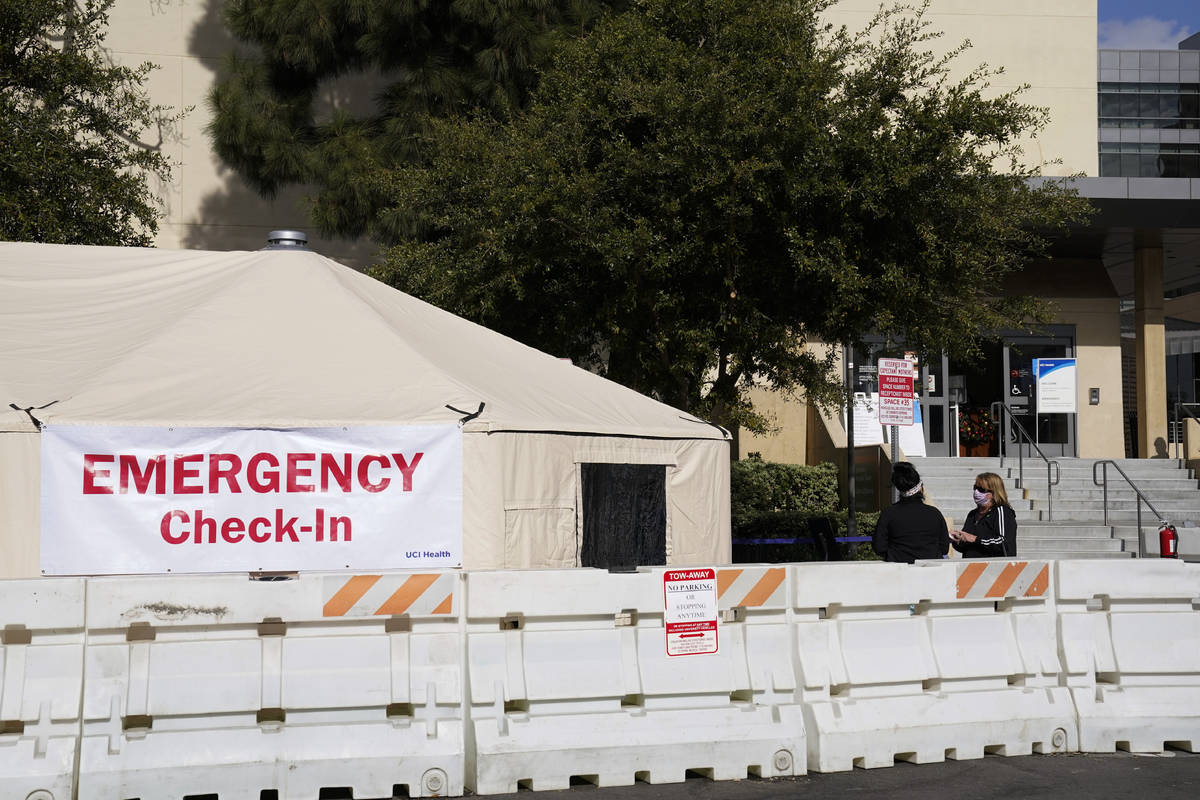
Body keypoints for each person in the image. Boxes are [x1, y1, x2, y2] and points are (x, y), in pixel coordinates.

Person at [873, 462, 950, 563]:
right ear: (921, 488)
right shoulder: (934, 513)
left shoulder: (889, 514)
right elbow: (944, 548)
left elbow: (879, 547)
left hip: (899, 571)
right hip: (931, 572)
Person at [951, 472, 1017, 557]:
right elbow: (965, 547)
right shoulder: (972, 514)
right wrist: (957, 539)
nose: (976, 492)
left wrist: (975, 539)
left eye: (982, 489)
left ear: (994, 493)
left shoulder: (1002, 511)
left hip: (994, 567)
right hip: (970, 567)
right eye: (975, 488)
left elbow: (1003, 542)